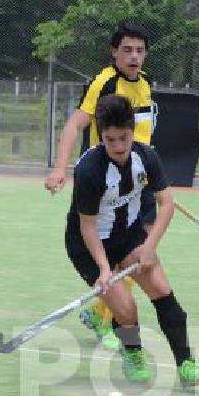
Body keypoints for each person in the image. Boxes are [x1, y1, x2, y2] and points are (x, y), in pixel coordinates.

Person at [66, 94, 199, 386]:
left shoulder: (146, 157)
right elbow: (88, 226)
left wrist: (149, 246)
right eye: (110, 140)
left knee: (163, 293)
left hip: (128, 234)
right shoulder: (89, 170)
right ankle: (132, 351)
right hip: (88, 245)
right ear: (101, 136)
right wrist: (105, 270)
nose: (118, 147)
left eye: (124, 138)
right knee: (126, 309)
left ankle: (186, 366)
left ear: (133, 131)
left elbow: (166, 204)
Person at [45, 22, 156, 352]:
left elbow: (144, 137)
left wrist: (152, 175)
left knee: (138, 260)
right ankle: (104, 315)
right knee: (118, 258)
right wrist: (60, 169)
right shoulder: (105, 82)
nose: (134, 57)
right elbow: (75, 124)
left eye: (139, 50)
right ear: (114, 52)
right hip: (107, 189)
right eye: (127, 50)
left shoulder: (146, 85)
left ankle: (99, 314)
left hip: (138, 184)